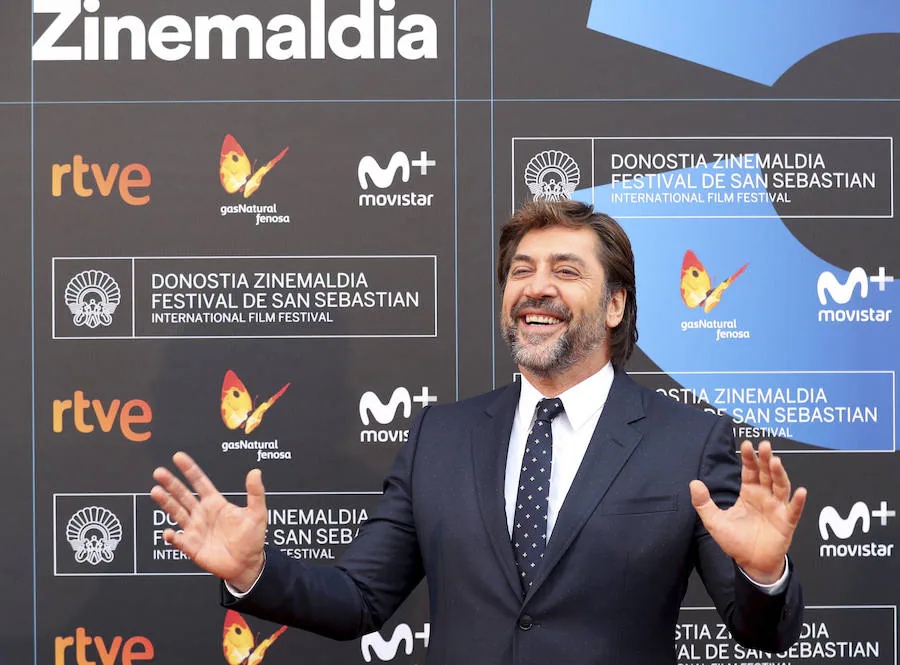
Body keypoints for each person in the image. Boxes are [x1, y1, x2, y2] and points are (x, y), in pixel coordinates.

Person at [151, 200, 806, 665]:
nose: (537, 287)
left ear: (615, 305)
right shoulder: (442, 434)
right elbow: (358, 599)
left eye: (566, 271)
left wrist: (764, 570)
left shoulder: (686, 441)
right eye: (521, 270)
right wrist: (253, 571)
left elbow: (762, 634)